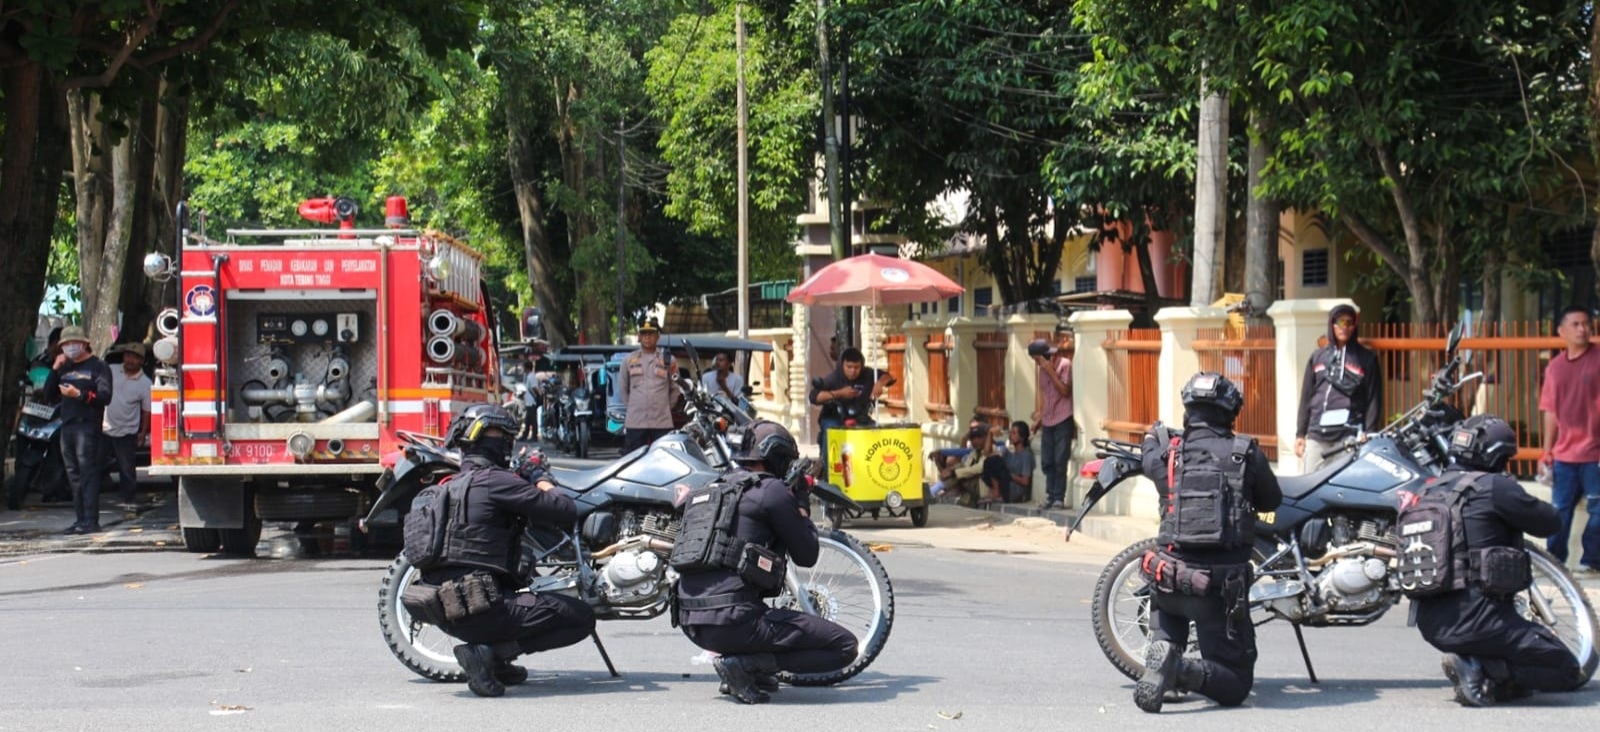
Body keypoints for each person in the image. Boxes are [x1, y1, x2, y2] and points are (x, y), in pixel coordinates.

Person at [409, 404, 597, 698]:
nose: (507, 440)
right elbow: (563, 509)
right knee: (582, 617)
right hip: (482, 610)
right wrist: (539, 476)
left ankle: (494, 657)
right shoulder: (495, 480)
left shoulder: (450, 486)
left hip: (444, 610)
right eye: (502, 433)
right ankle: (490, 655)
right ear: (483, 436)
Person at [1404, 415, 1585, 706]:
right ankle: (1482, 669)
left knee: (1511, 653)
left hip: (1431, 623)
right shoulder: (1493, 487)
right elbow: (1549, 522)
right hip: (1481, 618)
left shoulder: (1428, 491)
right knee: (1566, 670)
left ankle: (1482, 667)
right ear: (1497, 456)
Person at [673, 420, 858, 704]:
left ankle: (745, 668)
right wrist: (800, 501)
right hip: (735, 622)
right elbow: (807, 555)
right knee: (845, 647)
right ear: (779, 457)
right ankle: (745, 665)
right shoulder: (771, 490)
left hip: (692, 624)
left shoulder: (714, 488)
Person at [1134, 372, 1282, 713]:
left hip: (1168, 583)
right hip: (1218, 590)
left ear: (1188, 411)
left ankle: (1166, 657)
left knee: (1167, 633)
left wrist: (1149, 438)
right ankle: (1181, 670)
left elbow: (1147, 457)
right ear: (1230, 413)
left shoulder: (1168, 455)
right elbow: (1272, 500)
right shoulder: (1245, 453)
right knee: (1236, 684)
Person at [1537, 305, 1600, 574]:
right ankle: (1554, 562)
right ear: (1561, 331)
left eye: (1586, 323)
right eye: (1575, 324)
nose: (1582, 329)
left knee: (1599, 510)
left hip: (1596, 454)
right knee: (1559, 511)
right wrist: (1546, 451)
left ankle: (1592, 561)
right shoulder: (1554, 368)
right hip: (1564, 456)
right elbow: (1550, 411)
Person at [1295, 304, 1383, 472]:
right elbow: (1306, 396)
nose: (1345, 327)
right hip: (1317, 435)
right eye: (1340, 322)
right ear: (1331, 324)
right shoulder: (1318, 357)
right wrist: (1300, 434)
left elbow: (1374, 399)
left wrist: (1370, 433)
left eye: (1349, 323)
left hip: (1348, 437)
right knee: (1309, 486)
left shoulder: (1366, 359)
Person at [43, 326, 113, 534]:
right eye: (65, 345)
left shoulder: (98, 367)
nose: (70, 348)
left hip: (88, 426)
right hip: (68, 426)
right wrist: (55, 370)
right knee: (73, 474)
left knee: (88, 473)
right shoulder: (65, 367)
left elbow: (105, 397)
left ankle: (91, 520)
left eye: (73, 344)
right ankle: (80, 519)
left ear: (84, 344)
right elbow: (49, 395)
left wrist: (80, 394)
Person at [809, 347, 893, 470]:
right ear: (842, 365)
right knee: (830, 433)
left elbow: (888, 376)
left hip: (860, 417)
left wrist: (879, 384)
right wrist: (839, 393)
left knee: (879, 435)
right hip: (834, 417)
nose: (853, 371)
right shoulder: (834, 378)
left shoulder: (868, 374)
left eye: (857, 367)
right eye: (849, 367)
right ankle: (828, 472)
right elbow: (814, 397)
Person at [618, 316, 680, 453]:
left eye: (651, 333)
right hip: (636, 421)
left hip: (661, 421)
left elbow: (675, 388)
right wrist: (633, 407)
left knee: (664, 460)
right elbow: (623, 388)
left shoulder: (669, 359)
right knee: (633, 462)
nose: (647, 337)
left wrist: (665, 408)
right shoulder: (628, 360)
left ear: (658, 336)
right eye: (644, 334)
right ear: (639, 336)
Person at [103, 343, 152, 508]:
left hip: (127, 431)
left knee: (127, 468)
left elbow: (147, 411)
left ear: (142, 361)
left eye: (135, 357)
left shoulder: (146, 383)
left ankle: (128, 500)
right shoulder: (111, 370)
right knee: (93, 465)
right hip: (104, 428)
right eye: (128, 355)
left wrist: (142, 433)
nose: (130, 360)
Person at [1030, 335, 1074, 510]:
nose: (1036, 362)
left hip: (1063, 418)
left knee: (1059, 459)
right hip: (1048, 419)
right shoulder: (1041, 369)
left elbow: (1064, 390)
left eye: (1036, 359)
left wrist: (1050, 370)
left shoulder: (1064, 365)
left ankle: (1058, 498)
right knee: (1047, 461)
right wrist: (1039, 419)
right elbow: (1046, 398)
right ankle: (1049, 496)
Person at [932, 424, 995, 507]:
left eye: (979, 437)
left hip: (984, 488)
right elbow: (964, 466)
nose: (975, 441)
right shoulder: (974, 453)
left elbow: (978, 469)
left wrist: (953, 472)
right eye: (973, 438)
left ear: (986, 438)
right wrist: (949, 471)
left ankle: (934, 490)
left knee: (958, 471)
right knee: (958, 468)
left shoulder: (993, 451)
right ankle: (939, 489)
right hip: (971, 490)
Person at [1001, 421, 1036, 504]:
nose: (1010, 436)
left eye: (1014, 433)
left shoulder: (1026, 455)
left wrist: (1010, 476)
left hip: (1018, 493)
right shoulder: (1011, 454)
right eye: (1010, 433)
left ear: (1022, 437)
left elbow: (1025, 481)